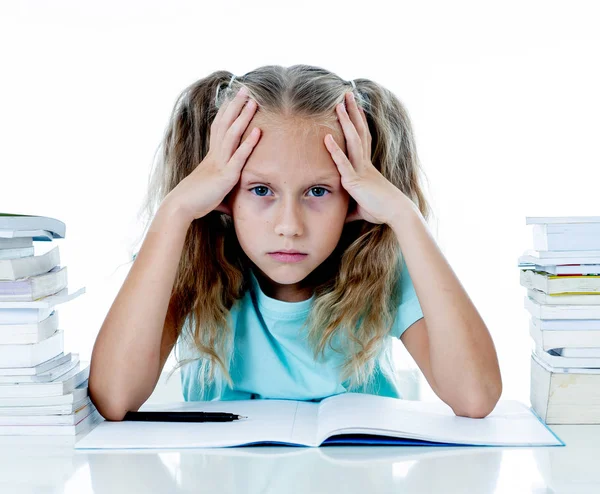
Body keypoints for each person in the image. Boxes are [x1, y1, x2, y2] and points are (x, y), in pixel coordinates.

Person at [88, 64, 502, 422]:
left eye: (318, 191)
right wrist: (175, 209)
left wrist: (404, 216)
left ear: (355, 196)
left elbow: (475, 396)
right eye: (261, 190)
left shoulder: (381, 265)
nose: (289, 226)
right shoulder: (188, 259)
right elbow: (115, 398)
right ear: (223, 191)